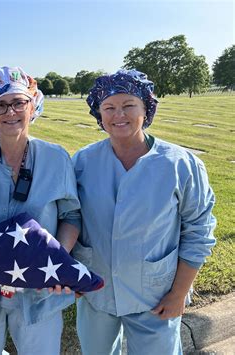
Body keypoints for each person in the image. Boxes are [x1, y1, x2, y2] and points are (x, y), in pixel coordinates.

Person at [72, 69, 217, 355]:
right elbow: (69, 218)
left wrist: (178, 294)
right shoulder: (82, 162)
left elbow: (199, 232)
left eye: (129, 106)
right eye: (109, 108)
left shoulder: (181, 164)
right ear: (98, 114)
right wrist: (71, 272)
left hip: (156, 296)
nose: (119, 115)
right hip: (95, 292)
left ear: (146, 109)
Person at [0, 66, 81, 355]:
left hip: (40, 292)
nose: (11, 112)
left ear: (33, 104)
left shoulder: (56, 158)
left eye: (18, 102)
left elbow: (71, 215)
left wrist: (54, 260)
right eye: (0, 104)